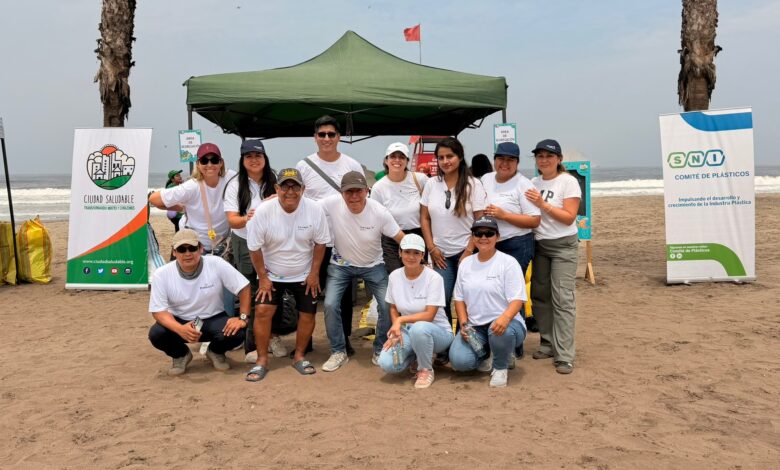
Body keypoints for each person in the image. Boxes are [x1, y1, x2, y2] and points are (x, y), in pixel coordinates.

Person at [245, 168, 330, 381]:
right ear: (276, 188)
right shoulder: (264, 211)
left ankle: (299, 356)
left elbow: (321, 243)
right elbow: (254, 248)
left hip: (304, 273)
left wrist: (314, 273)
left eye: (295, 186)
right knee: (263, 310)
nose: (290, 191)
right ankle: (262, 359)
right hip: (271, 273)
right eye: (285, 186)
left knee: (308, 313)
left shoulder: (314, 209)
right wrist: (263, 278)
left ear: (303, 189)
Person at [319, 171, 404, 372]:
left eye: (359, 191)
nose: (354, 196)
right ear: (341, 193)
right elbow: (303, 205)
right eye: (349, 192)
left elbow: (400, 236)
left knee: (386, 304)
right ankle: (338, 351)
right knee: (330, 304)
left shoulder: (379, 211)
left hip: (373, 265)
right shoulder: (331, 204)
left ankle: (379, 348)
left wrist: (422, 259)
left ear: (367, 191)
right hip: (340, 265)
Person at [295, 115, 364, 356]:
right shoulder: (303, 166)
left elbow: (361, 200)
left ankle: (343, 338)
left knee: (343, 294)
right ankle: (307, 339)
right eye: (322, 134)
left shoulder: (352, 164)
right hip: (312, 240)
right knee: (310, 290)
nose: (326, 138)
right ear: (315, 138)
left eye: (331, 134)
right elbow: (296, 200)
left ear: (339, 137)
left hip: (343, 239)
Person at [149, 143, 237, 315]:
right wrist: (182, 207)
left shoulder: (231, 178)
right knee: (197, 290)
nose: (210, 164)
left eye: (214, 160)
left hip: (223, 245)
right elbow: (154, 199)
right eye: (205, 160)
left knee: (226, 289)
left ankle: (224, 328)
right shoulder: (192, 186)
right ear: (198, 164)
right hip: (197, 245)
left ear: (221, 163)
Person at [148, 229, 250, 376]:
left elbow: (244, 287)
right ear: (174, 252)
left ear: (201, 249)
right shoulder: (161, 274)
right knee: (157, 334)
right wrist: (179, 328)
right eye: (181, 249)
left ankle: (215, 352)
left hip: (212, 317)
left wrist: (242, 318)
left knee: (238, 331)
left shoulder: (216, 263)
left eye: (192, 248)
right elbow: (158, 311)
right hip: (180, 319)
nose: (187, 253)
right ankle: (181, 355)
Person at [222, 139, 287, 360]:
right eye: (248, 156)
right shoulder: (234, 184)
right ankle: (252, 345)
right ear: (242, 160)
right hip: (245, 242)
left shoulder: (276, 179)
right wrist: (247, 218)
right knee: (249, 289)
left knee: (273, 289)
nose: (254, 160)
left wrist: (278, 198)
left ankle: (274, 336)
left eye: (258, 156)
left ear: (265, 158)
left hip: (274, 243)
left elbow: (292, 203)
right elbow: (232, 220)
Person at [448, 217, 527, 388]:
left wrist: (505, 318)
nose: (483, 237)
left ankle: (500, 367)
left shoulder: (508, 263)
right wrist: (463, 323)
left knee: (498, 331)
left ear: (497, 237)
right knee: (459, 361)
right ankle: (488, 354)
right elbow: (459, 298)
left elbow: (517, 299)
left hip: (506, 323)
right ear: (473, 237)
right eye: (478, 233)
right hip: (476, 325)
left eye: (489, 233)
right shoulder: (466, 264)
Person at [524, 139, 581, 375]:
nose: (544, 160)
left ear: (559, 160)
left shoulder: (568, 182)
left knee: (562, 298)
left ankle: (565, 354)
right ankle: (547, 343)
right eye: (540, 156)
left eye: (549, 156)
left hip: (563, 246)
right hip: (539, 246)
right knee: (539, 296)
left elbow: (569, 217)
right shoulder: (532, 183)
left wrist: (542, 204)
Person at [420, 137, 487, 326]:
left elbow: (480, 221)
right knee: (441, 301)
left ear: (460, 156)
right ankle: (446, 343)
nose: (445, 161)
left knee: (468, 300)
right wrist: (431, 248)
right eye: (441, 157)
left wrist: (468, 251)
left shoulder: (472, 184)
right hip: (440, 255)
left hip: (467, 253)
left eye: (450, 156)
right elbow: (424, 218)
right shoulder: (431, 184)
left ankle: (465, 340)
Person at [481, 142, 542, 351]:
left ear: (517, 163)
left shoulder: (523, 185)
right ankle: (496, 338)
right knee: (493, 291)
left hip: (517, 243)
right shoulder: (486, 179)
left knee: (513, 293)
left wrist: (503, 215)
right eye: (501, 158)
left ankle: (516, 346)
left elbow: (534, 221)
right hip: (490, 244)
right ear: (494, 159)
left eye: (510, 160)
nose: (504, 163)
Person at [377, 234, 453, 389]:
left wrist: (400, 321)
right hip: (408, 331)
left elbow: (429, 315)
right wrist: (396, 329)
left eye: (416, 253)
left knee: (420, 328)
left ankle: (425, 369)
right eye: (407, 252)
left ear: (423, 255)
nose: (411, 257)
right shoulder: (394, 276)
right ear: (399, 252)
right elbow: (393, 307)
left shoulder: (434, 278)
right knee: (386, 363)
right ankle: (417, 355)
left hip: (437, 333)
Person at [369, 142, 429, 273]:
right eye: (393, 156)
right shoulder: (378, 187)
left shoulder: (420, 179)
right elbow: (376, 220)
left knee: (419, 275)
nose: (397, 160)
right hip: (391, 240)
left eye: (401, 157)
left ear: (407, 161)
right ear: (386, 160)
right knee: (396, 275)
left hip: (418, 235)